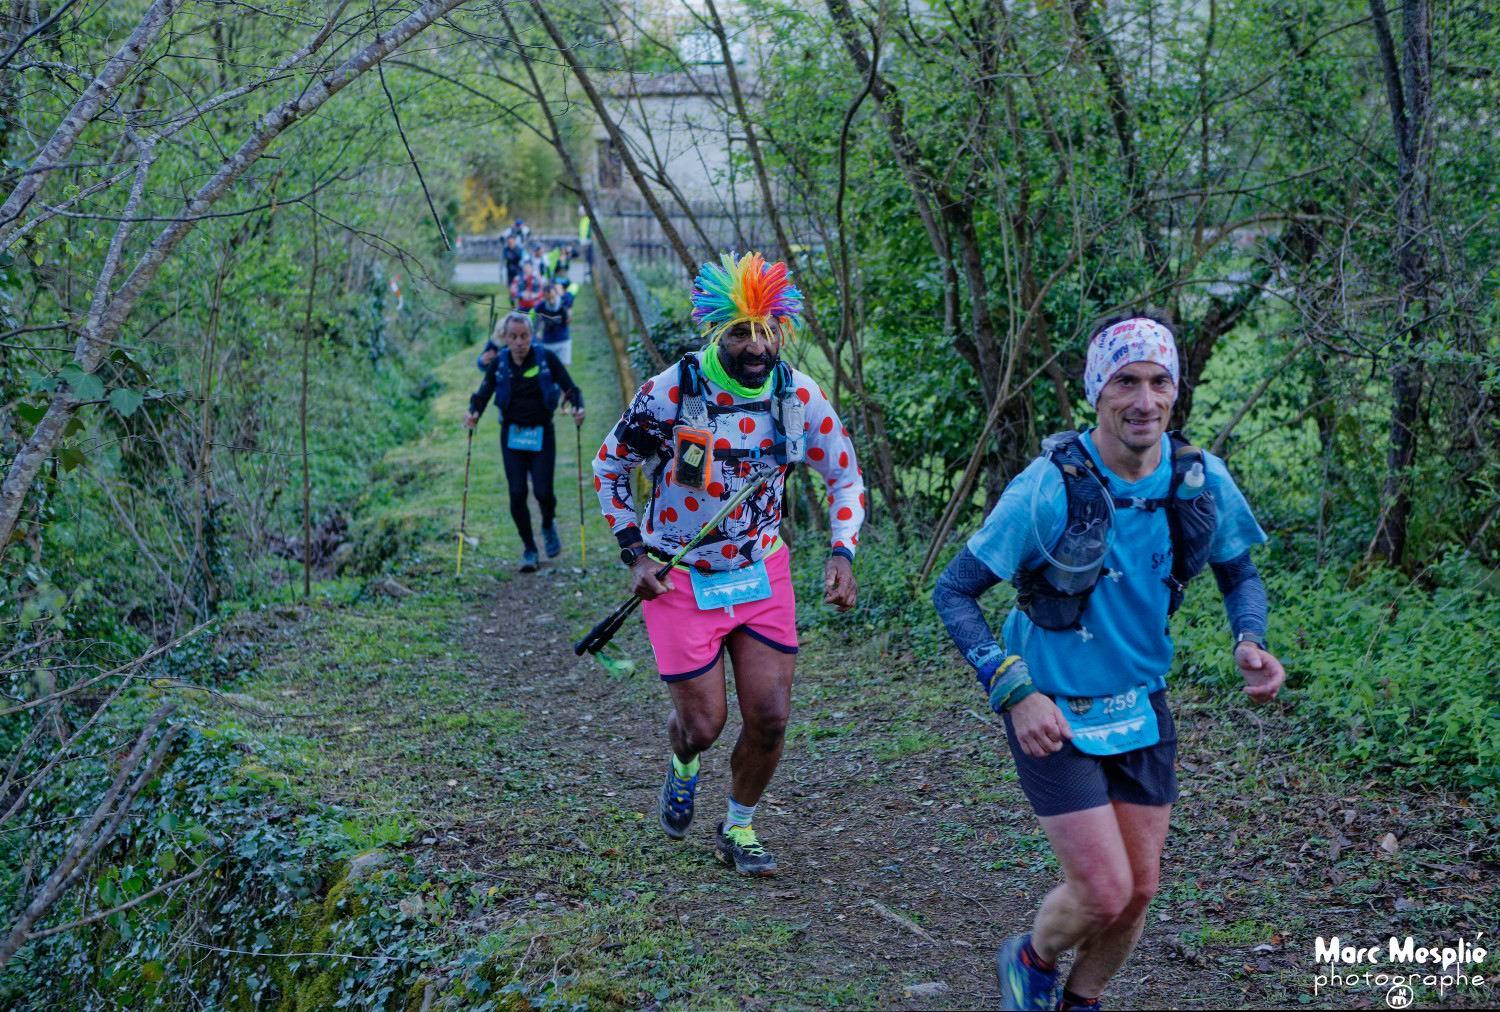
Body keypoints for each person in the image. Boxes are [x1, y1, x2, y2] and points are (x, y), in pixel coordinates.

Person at [930, 313, 1286, 1011]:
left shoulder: (1198, 478)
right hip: (1051, 710)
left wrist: (1249, 638)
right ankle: (1029, 961)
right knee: (1103, 889)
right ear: (1097, 391)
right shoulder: (1047, 488)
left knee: (1139, 891)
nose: (1145, 400)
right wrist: (1013, 690)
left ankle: (1081, 1000)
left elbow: (1239, 574)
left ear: (1175, 390)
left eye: (1159, 382)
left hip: (1141, 702)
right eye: (1125, 382)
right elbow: (955, 592)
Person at [594, 252, 864, 876]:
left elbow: (845, 477)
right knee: (704, 725)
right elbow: (610, 467)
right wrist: (634, 553)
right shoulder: (671, 393)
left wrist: (841, 552)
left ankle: (738, 827)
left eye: (767, 331)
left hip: (760, 571)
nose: (756, 346)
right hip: (680, 577)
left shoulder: (798, 396)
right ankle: (683, 760)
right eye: (741, 332)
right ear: (717, 331)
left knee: (770, 717)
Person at [467, 312, 585, 572]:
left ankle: (548, 523)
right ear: (505, 338)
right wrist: (473, 413)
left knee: (543, 492)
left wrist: (578, 407)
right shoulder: (499, 363)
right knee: (517, 492)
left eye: (524, 336)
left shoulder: (546, 358)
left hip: (542, 434)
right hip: (512, 436)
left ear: (532, 336)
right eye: (513, 337)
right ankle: (529, 548)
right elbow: (483, 393)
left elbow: (570, 388)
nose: (519, 342)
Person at [535, 281, 573, 365]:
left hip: (563, 341)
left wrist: (569, 313)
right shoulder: (541, 307)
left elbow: (570, 298)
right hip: (548, 343)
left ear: (556, 294)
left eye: (553, 297)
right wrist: (539, 331)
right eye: (548, 299)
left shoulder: (564, 302)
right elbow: (539, 322)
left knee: (563, 368)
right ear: (544, 297)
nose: (551, 301)